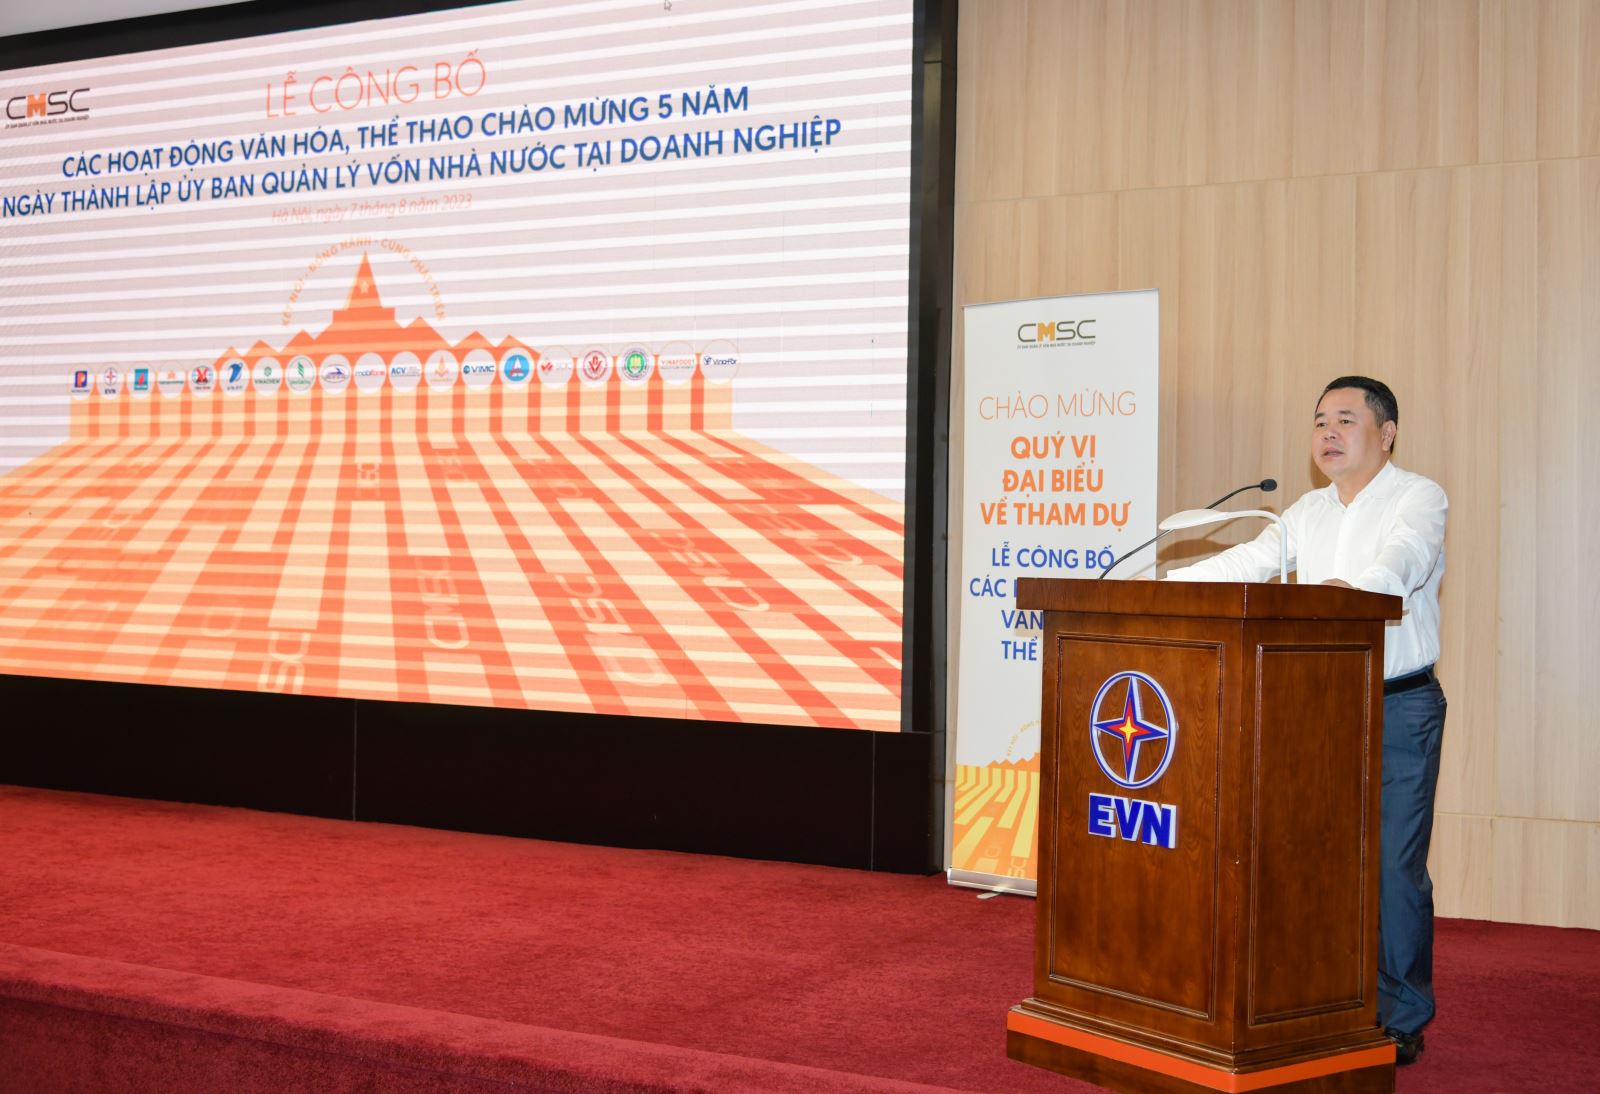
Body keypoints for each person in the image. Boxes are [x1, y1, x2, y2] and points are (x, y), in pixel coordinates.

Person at [1164, 376, 1447, 1067]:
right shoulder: (1306, 511)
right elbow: (1252, 561)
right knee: (1311, 853)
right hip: (1316, 703)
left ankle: (1400, 1014)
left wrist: (1348, 594)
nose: (1327, 432)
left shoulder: (1418, 497)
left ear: (1386, 433)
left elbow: (1403, 562)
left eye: (1345, 419)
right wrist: (1160, 588)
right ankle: (1322, 993)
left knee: (1392, 865)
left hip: (1397, 704)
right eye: (1320, 421)